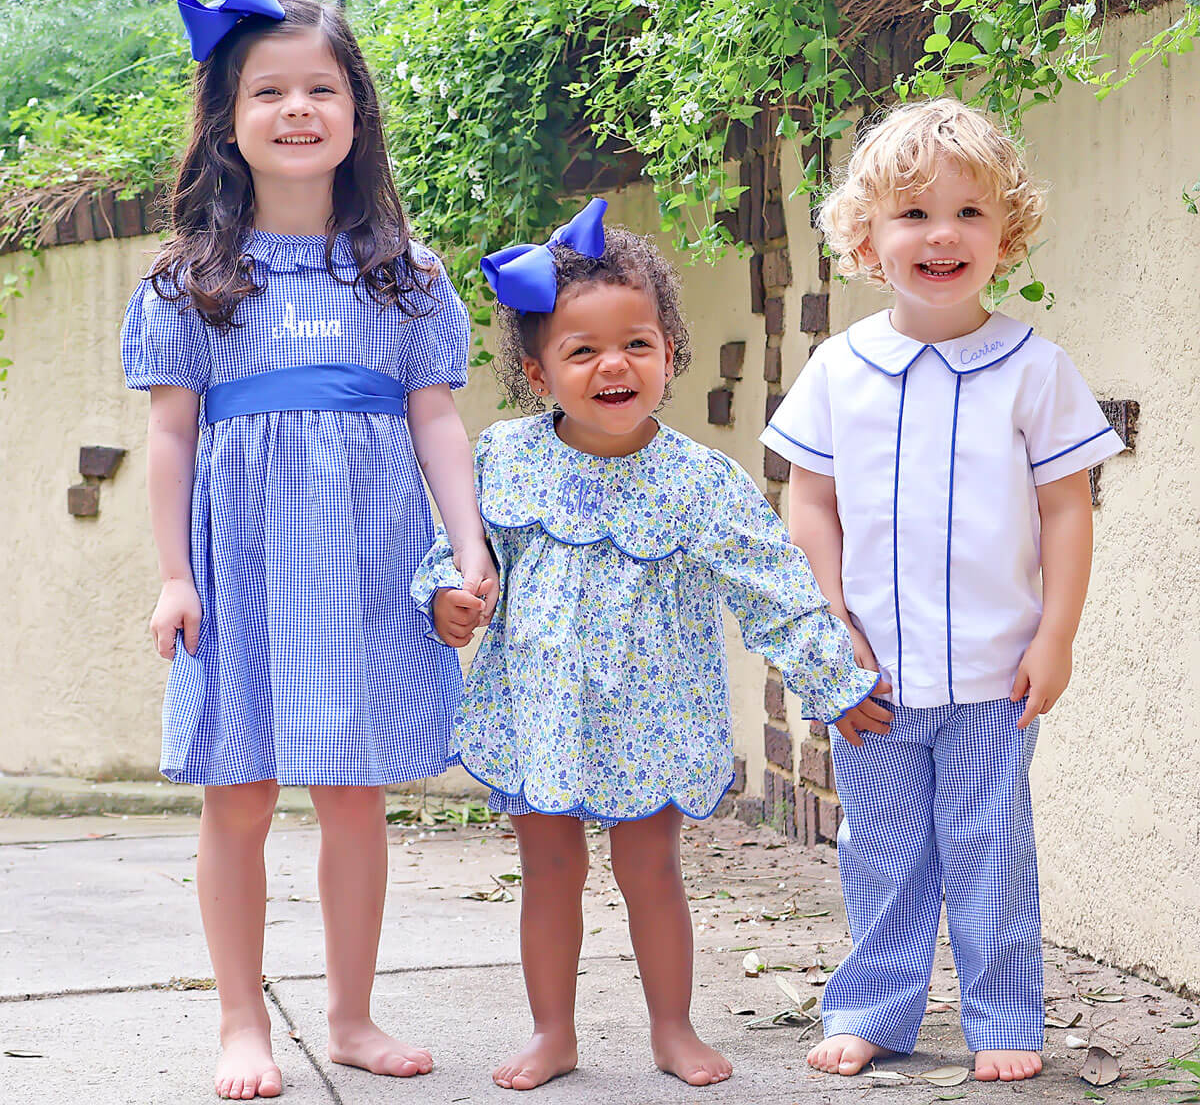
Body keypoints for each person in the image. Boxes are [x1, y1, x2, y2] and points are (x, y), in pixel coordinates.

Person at [121, 0, 496, 1101]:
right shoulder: (192, 280)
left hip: (367, 566)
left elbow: (436, 421)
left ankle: (351, 1015)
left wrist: (469, 547)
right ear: (229, 123)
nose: (297, 110)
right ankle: (243, 1022)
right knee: (237, 797)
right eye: (269, 92)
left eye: (320, 89)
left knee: (353, 794)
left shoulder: (406, 276)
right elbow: (174, 440)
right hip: (238, 571)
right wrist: (174, 576)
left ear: (355, 113)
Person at [413, 199, 883, 1092]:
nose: (612, 364)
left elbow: (776, 590)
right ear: (537, 371)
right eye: (580, 351)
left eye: (636, 342)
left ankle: (673, 1028)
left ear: (670, 350)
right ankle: (554, 1034)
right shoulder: (505, 459)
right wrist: (448, 599)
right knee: (549, 872)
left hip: (656, 718)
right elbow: (459, 549)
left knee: (652, 871)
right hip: (539, 712)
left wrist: (835, 681)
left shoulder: (703, 482)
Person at [761, 98, 1125, 1083]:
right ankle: (874, 1008)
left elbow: (1066, 512)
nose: (941, 234)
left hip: (995, 678)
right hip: (869, 678)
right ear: (866, 238)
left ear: (1005, 234)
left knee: (987, 851)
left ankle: (1004, 1017)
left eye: (969, 212)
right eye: (914, 213)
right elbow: (810, 501)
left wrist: (1058, 637)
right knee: (879, 853)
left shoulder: (1035, 370)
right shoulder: (840, 369)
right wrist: (828, 622)